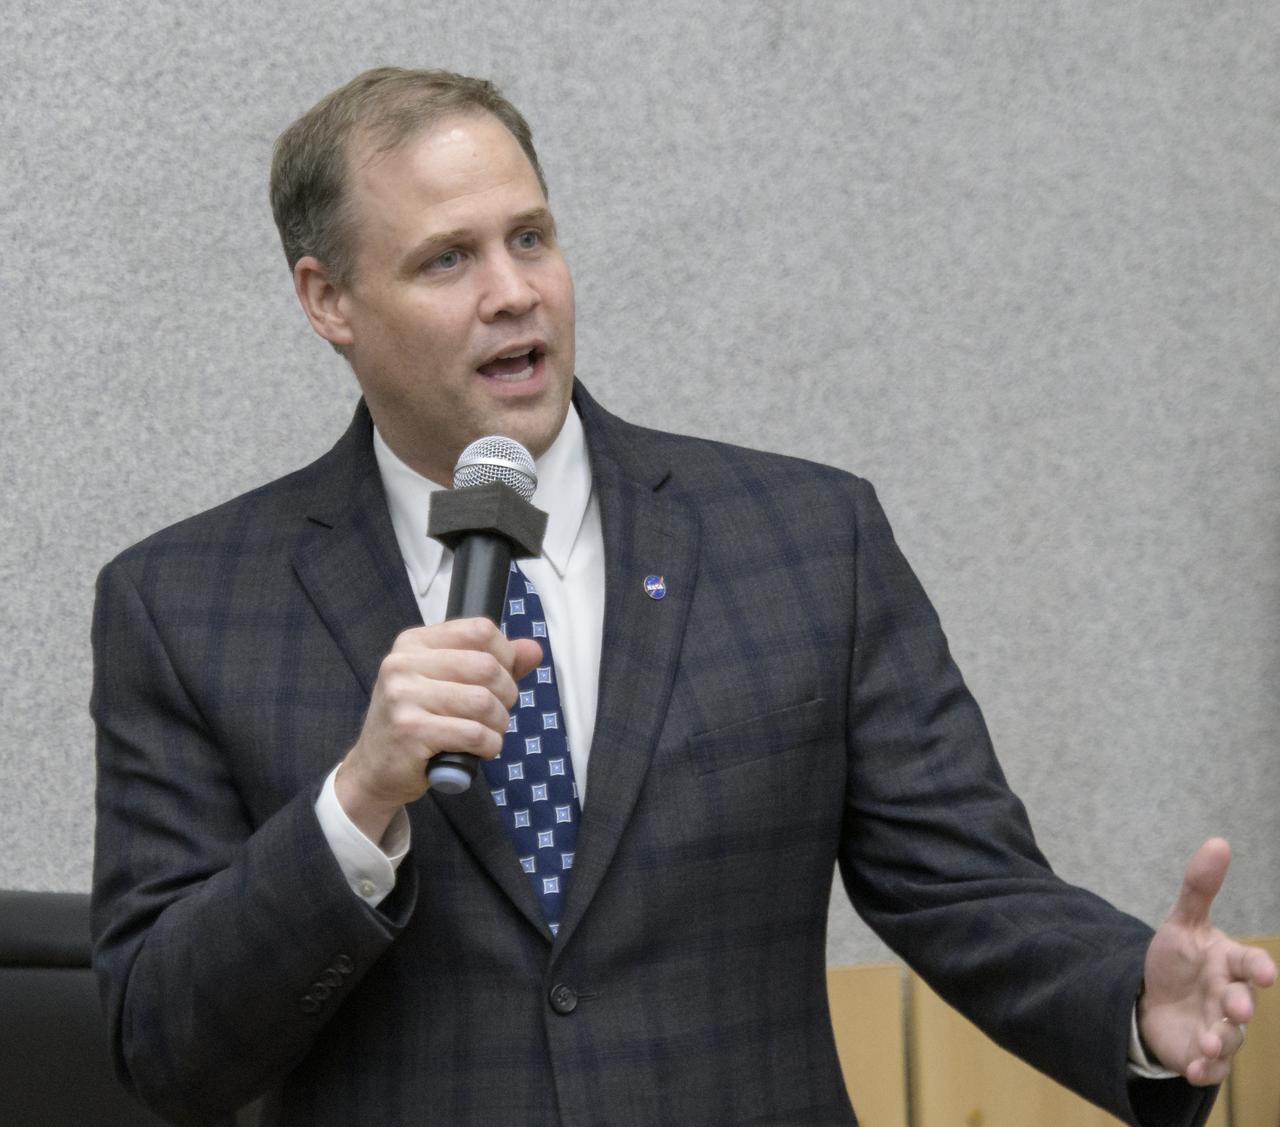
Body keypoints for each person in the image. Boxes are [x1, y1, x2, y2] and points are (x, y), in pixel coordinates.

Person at [90, 67, 1275, 1127]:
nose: (513, 292)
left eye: (531, 238)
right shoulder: (185, 605)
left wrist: (1130, 994)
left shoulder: (804, 539)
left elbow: (963, 885)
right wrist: (354, 806)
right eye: (447, 258)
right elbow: (165, 1048)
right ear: (327, 298)